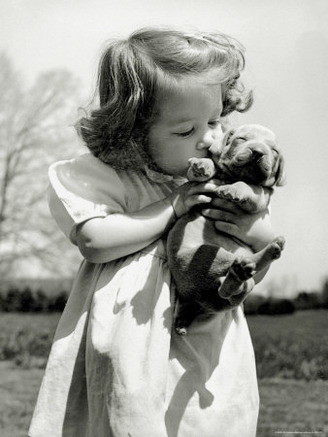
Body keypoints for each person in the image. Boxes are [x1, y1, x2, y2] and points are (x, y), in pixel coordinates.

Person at [29, 27, 276, 437]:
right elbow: (94, 242)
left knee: (206, 419)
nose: (209, 139)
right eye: (185, 131)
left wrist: (256, 234)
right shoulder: (117, 179)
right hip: (133, 337)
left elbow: (258, 247)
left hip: (206, 338)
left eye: (214, 120)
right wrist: (172, 207)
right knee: (129, 415)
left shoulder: (222, 180)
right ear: (133, 132)